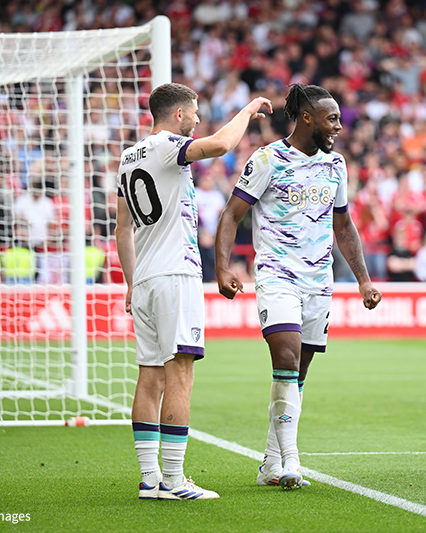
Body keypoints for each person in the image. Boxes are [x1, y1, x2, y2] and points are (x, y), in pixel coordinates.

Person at [214, 83, 382, 490]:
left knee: (296, 375)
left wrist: (363, 279)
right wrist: (222, 267)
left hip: (319, 281)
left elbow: (343, 224)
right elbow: (231, 214)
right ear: (307, 118)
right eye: (332, 119)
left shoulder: (336, 166)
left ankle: (271, 462)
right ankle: (291, 460)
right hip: (277, 275)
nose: (339, 127)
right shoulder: (269, 159)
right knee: (286, 361)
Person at [116, 82, 272, 501]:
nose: (198, 120)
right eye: (195, 113)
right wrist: (250, 107)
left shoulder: (127, 159)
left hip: (147, 278)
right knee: (180, 372)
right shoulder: (168, 145)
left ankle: (150, 480)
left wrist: (132, 284)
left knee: (149, 375)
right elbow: (222, 144)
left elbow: (122, 229)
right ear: (179, 115)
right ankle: (174, 479)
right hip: (175, 276)